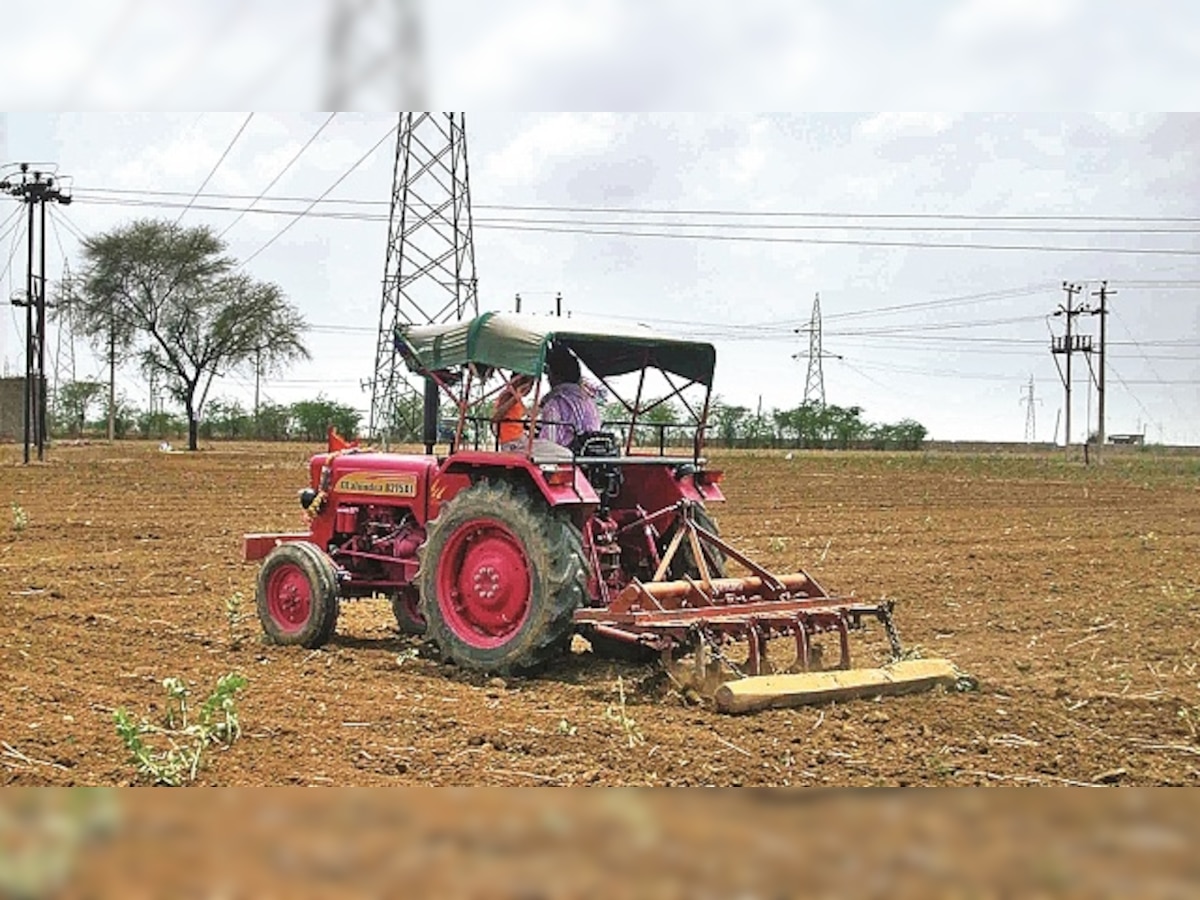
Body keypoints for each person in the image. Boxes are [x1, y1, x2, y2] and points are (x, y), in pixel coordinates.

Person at [537, 343, 600, 447]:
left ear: (554, 376)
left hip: (566, 457)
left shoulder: (555, 404)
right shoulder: (589, 402)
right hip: (590, 455)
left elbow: (548, 443)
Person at [492, 373, 534, 447]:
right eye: (530, 385)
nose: (530, 389)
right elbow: (497, 416)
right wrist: (516, 397)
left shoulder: (516, 398)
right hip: (512, 439)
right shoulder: (508, 395)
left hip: (518, 437)